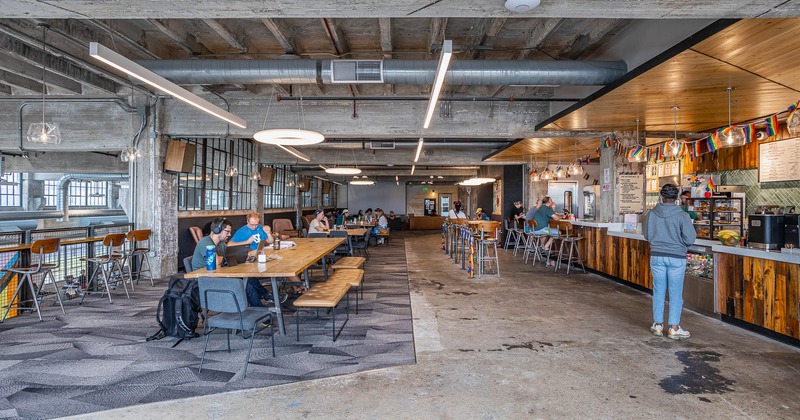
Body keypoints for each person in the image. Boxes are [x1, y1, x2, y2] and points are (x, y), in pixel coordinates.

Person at [190, 218, 286, 308]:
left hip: (218, 274)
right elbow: (216, 261)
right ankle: (260, 307)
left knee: (248, 278)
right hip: (206, 281)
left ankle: (265, 298)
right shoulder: (205, 242)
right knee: (245, 283)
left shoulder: (221, 243)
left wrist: (242, 257)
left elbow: (226, 258)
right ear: (217, 230)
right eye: (227, 231)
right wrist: (233, 257)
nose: (229, 234)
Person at [644, 183, 696, 340]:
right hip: (676, 257)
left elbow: (647, 235)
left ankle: (658, 325)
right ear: (677, 198)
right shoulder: (682, 215)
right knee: (675, 292)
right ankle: (674, 327)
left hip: (657, 256)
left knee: (658, 290)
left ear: (662, 196)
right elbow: (690, 238)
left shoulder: (652, 214)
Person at [531, 196, 563, 267]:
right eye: (551, 201)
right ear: (548, 202)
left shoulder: (541, 208)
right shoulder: (548, 208)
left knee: (546, 233)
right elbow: (556, 218)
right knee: (558, 232)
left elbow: (550, 217)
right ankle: (546, 246)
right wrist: (562, 216)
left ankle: (542, 246)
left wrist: (553, 209)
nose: (552, 202)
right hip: (541, 229)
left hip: (534, 230)